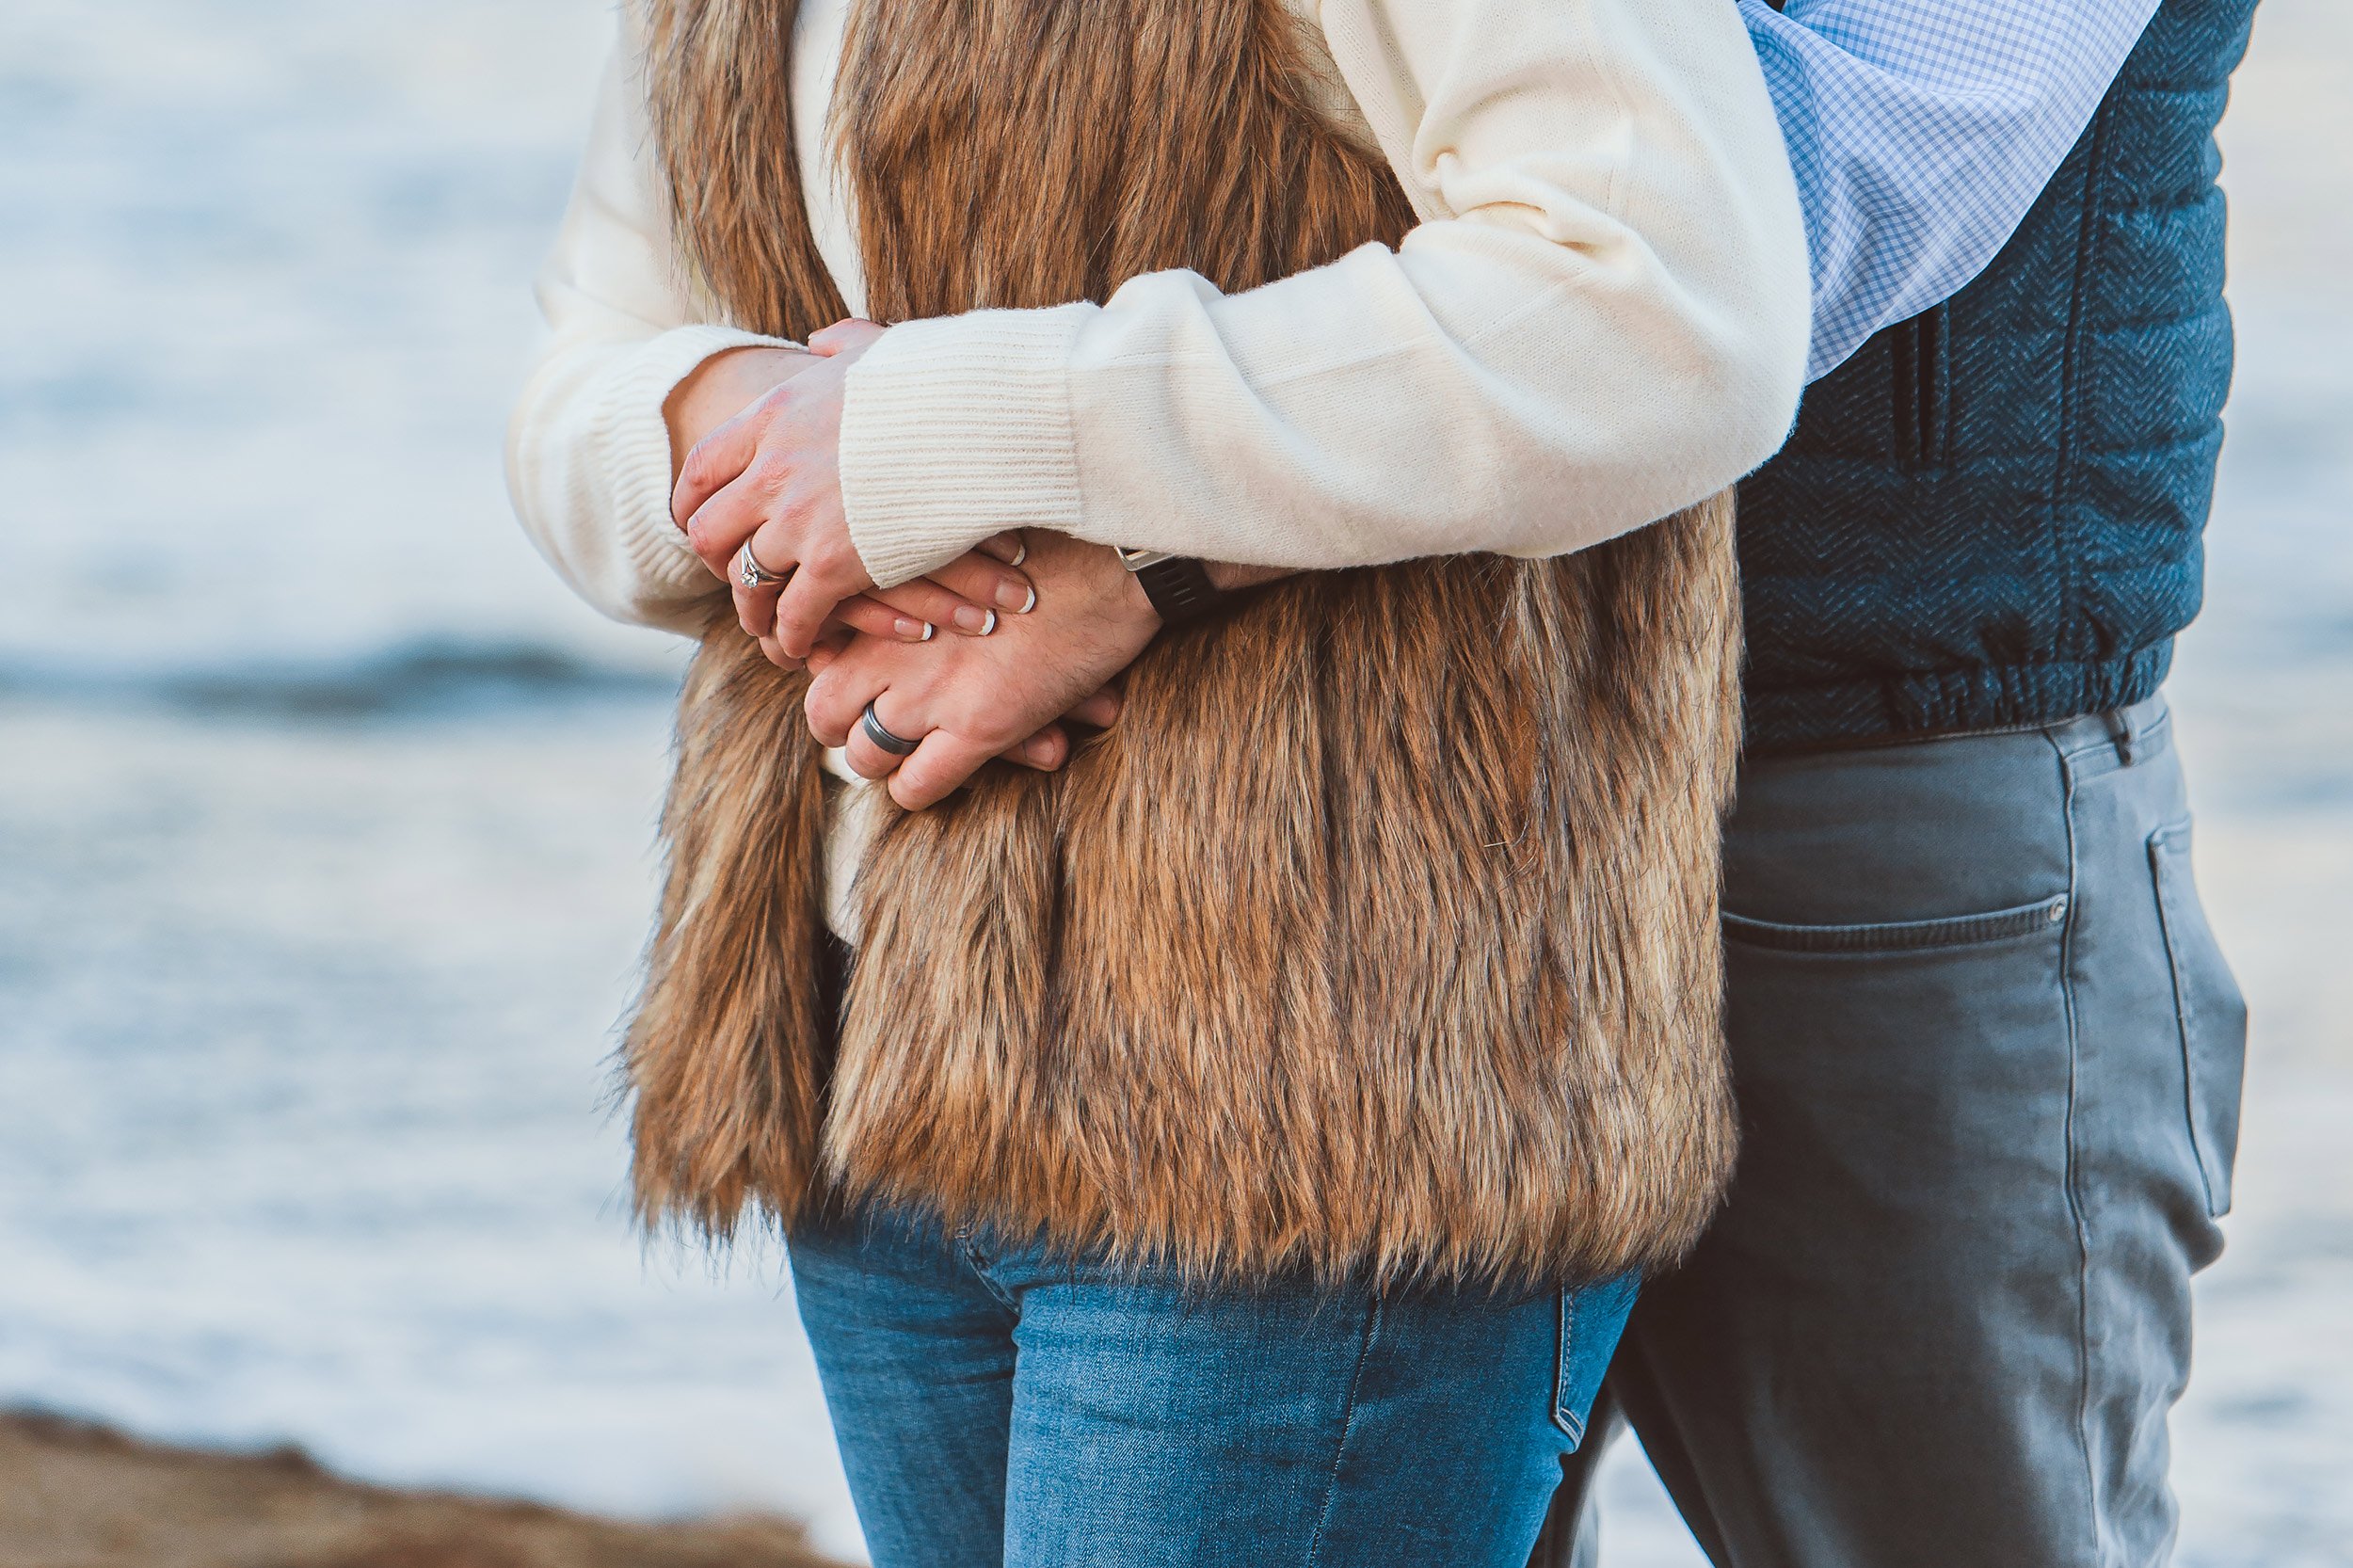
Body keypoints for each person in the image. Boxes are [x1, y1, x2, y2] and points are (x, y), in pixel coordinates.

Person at [508, 2, 1808, 1566]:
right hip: (863, 1057)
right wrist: (745, 449)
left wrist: (934, 435)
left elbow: (1662, 300)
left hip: (1310, 1073)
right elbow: (584, 369)